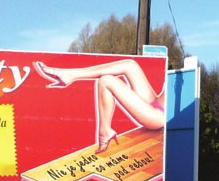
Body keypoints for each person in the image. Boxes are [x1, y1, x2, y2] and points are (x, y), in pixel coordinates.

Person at [33, 59, 165, 153]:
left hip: (157, 116)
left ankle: (104, 131)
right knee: (130, 65)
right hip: (155, 101)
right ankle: (71, 74)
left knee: (106, 81)